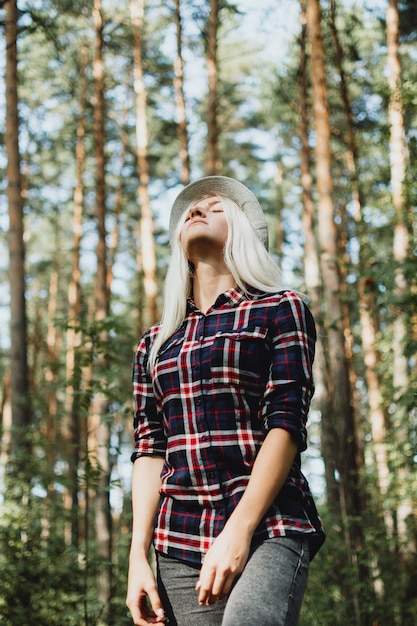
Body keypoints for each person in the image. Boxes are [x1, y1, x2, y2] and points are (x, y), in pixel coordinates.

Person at [126, 176, 325, 626]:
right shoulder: (154, 344)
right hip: (178, 537)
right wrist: (138, 556)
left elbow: (286, 423)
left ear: (240, 230)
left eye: (215, 207)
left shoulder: (280, 308)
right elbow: (150, 449)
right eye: (192, 210)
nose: (197, 211)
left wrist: (239, 530)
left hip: (268, 521)